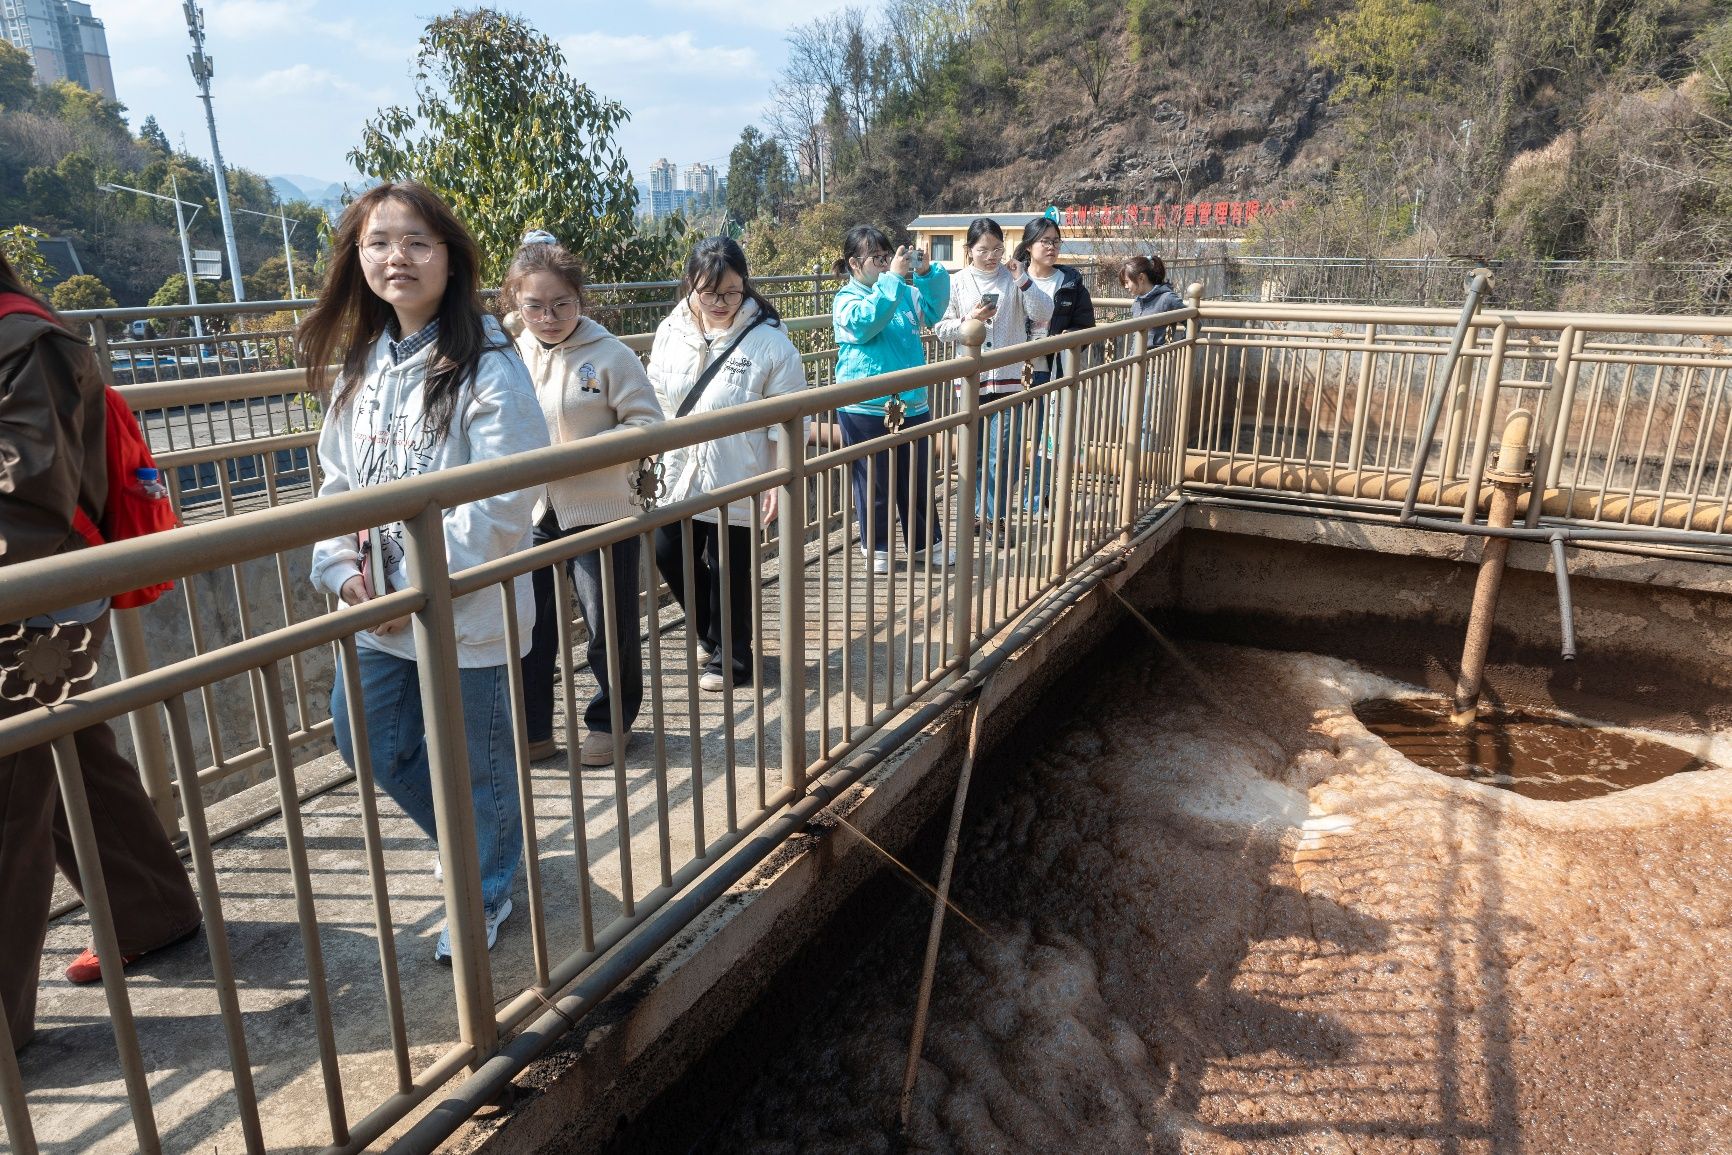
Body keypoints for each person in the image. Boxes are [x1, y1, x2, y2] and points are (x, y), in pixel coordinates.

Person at [301, 182, 549, 962]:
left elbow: (505, 497)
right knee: (366, 735)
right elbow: (338, 484)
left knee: (476, 761)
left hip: (461, 605)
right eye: (378, 242)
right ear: (358, 257)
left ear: (450, 256)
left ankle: (485, 887)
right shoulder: (365, 364)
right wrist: (344, 572)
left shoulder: (488, 360)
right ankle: (478, 842)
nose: (396, 258)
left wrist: (414, 585)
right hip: (379, 602)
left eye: (416, 242)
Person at [0, 249, 201, 1050]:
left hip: (34, 602)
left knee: (10, 792)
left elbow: (27, 503)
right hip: (33, 596)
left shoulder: (25, 341)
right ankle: (151, 909)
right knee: (65, 753)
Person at [504, 232, 664, 768]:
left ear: (580, 298)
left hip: (601, 509)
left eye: (562, 304)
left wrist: (581, 455)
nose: (548, 318)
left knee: (606, 623)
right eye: (534, 306)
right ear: (516, 301)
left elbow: (648, 423)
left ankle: (611, 722)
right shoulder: (509, 353)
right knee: (529, 625)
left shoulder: (610, 354)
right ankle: (534, 728)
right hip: (531, 509)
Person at [648, 237, 808, 693]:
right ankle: (710, 633)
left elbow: (789, 419)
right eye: (709, 292)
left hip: (739, 468)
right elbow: (656, 396)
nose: (720, 302)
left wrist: (776, 479)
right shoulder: (671, 330)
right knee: (667, 552)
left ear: (745, 286)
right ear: (690, 285)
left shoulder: (769, 342)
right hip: (679, 468)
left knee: (729, 567)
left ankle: (734, 659)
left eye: (732, 292)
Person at [832, 225, 953, 572]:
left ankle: (926, 545)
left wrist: (927, 274)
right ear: (854, 263)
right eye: (877, 258)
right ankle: (879, 549)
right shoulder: (846, 299)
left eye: (887, 257)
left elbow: (934, 310)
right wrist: (894, 281)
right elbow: (864, 324)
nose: (885, 264)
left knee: (917, 479)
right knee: (874, 481)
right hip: (866, 404)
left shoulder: (902, 291)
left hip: (911, 401)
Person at [934, 217, 1053, 543]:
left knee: (1003, 452)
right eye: (983, 250)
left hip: (1009, 377)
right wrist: (970, 319)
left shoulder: (1013, 277)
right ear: (969, 250)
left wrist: (1022, 278)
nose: (991, 256)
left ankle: (993, 517)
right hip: (971, 380)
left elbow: (1043, 312)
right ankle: (978, 514)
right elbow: (941, 328)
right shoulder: (957, 282)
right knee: (974, 453)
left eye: (997, 249)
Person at [1013, 217, 1095, 513]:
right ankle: (996, 503)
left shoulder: (1070, 283)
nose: (1052, 247)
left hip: (1051, 370)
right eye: (1045, 241)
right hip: (1013, 370)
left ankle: (1037, 499)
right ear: (1029, 245)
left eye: (1056, 241)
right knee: (1009, 437)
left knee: (1047, 438)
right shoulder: (1013, 277)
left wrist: (1069, 337)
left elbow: (1085, 325)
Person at [1121, 254, 1186, 334]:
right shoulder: (1137, 302)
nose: (1126, 286)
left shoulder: (1167, 299)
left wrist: (1184, 341)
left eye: (1127, 282)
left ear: (1141, 278)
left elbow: (1192, 323)